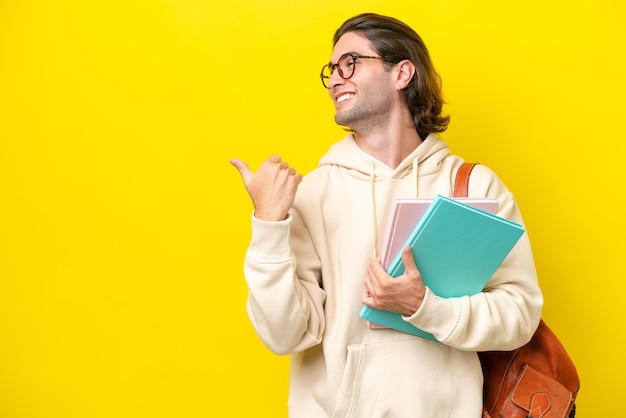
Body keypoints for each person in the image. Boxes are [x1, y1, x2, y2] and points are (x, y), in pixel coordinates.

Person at [230, 12, 542, 418]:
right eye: (332, 70)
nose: (336, 79)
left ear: (402, 73)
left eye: (351, 63)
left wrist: (424, 306)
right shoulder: (312, 194)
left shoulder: (473, 186)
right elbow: (283, 334)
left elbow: (520, 314)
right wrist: (269, 224)